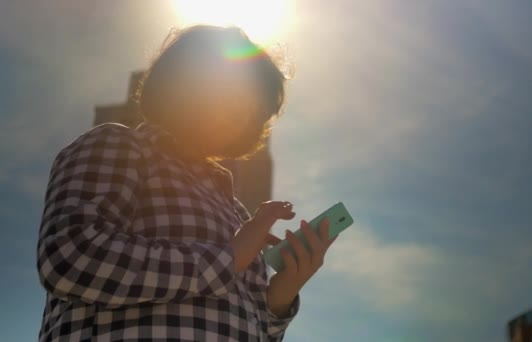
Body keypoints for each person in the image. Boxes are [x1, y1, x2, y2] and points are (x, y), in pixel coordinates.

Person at [37, 25, 338, 342]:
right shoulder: (118, 144)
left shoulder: (234, 208)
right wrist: (230, 258)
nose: (243, 113)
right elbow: (70, 256)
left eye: (256, 108)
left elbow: (241, 325)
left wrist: (279, 297)